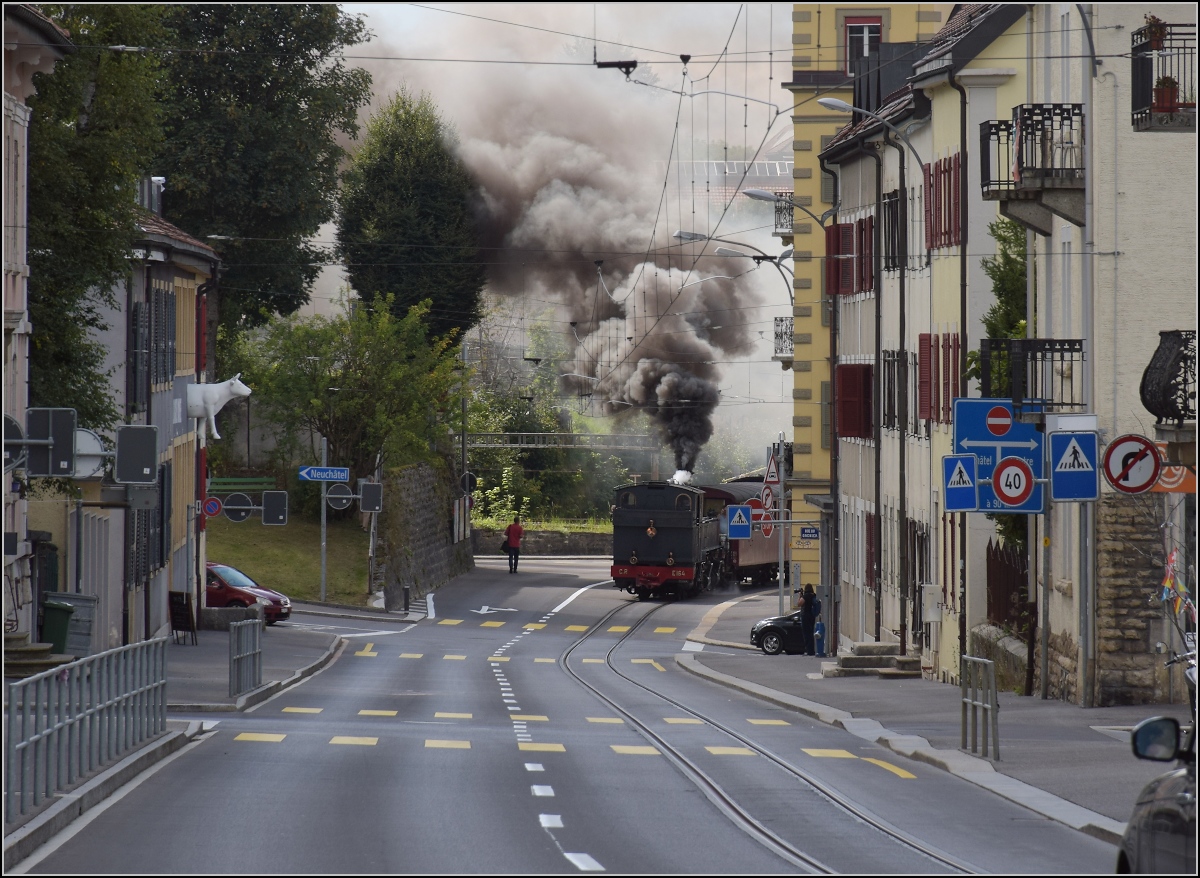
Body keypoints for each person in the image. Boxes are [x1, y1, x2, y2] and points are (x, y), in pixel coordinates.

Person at [801, 584, 821, 656]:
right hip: (812, 616)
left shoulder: (806, 596)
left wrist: (801, 595)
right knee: (811, 633)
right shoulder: (814, 595)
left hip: (806, 616)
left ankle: (809, 651)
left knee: (806, 634)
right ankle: (812, 650)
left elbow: (799, 603)